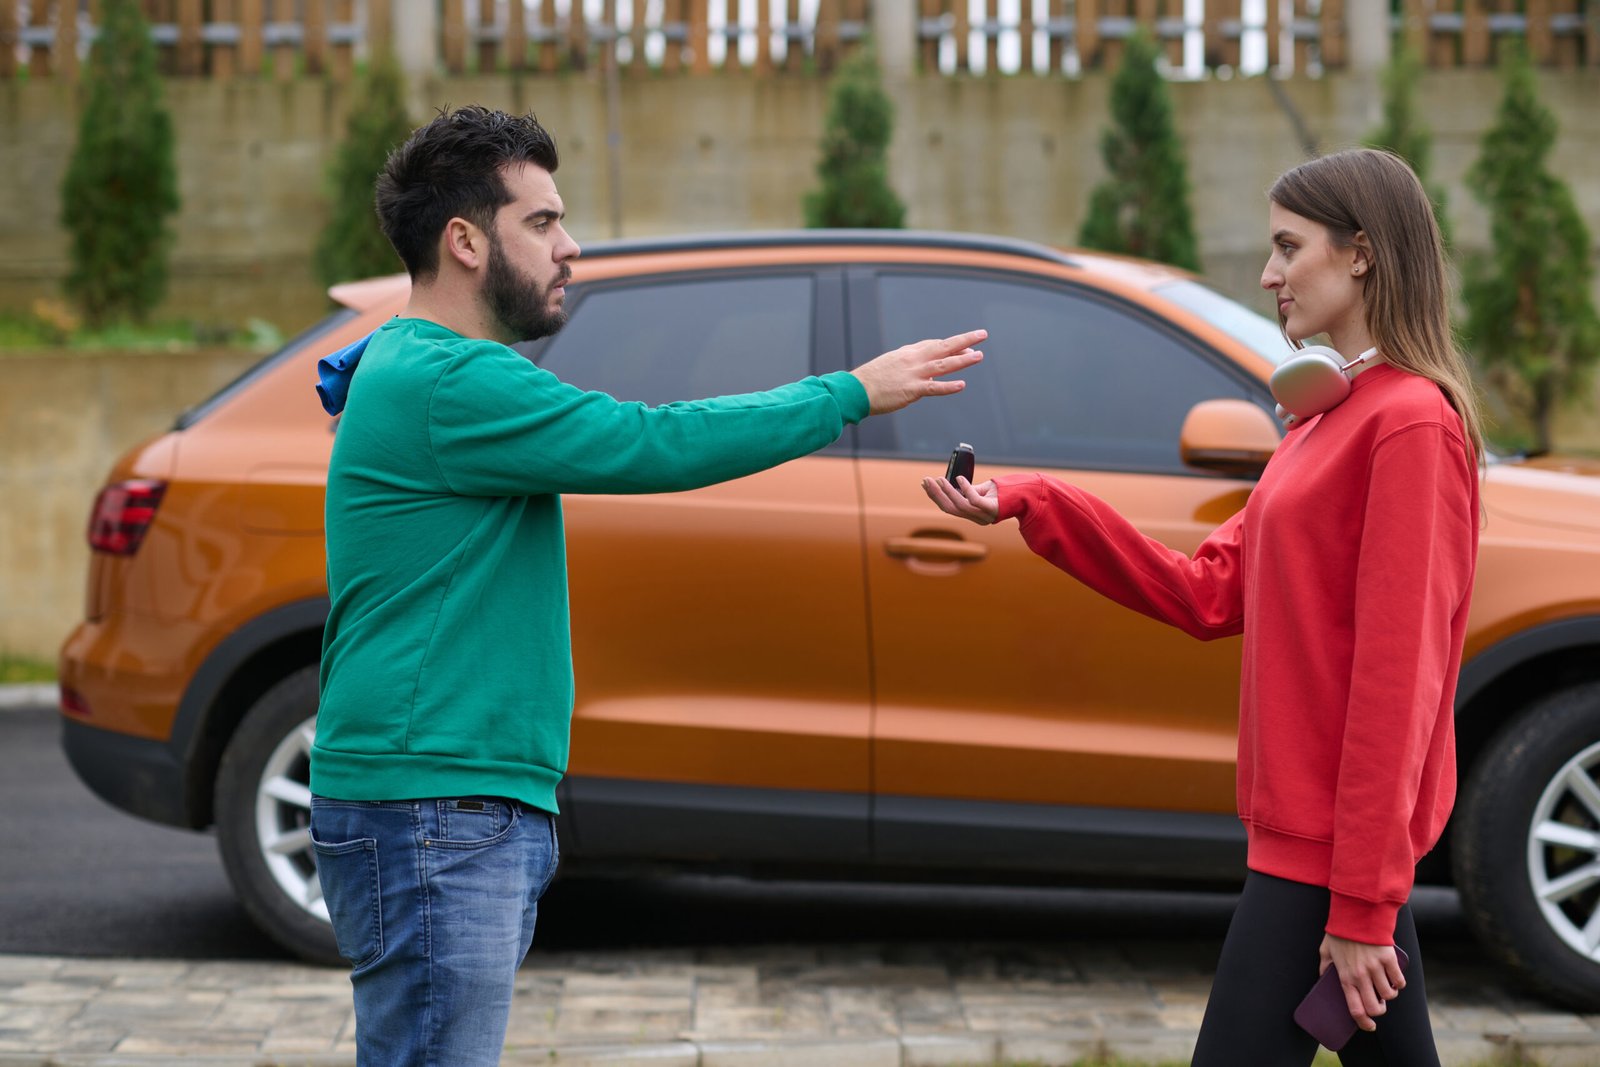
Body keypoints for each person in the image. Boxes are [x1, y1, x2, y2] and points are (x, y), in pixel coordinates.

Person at [308, 105, 984, 1067]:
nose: (569, 245)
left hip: (447, 800)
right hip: (435, 803)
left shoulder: (421, 366)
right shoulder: (451, 380)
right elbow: (651, 441)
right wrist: (850, 392)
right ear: (463, 241)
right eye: (541, 222)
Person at [923, 147, 1482, 1066]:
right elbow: (1206, 590)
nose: (1268, 274)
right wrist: (1035, 501)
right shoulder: (1321, 419)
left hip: (1325, 859)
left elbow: (1399, 681)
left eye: (1286, 247)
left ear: (1361, 253)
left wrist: (1365, 904)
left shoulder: (1409, 422)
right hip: (1302, 844)